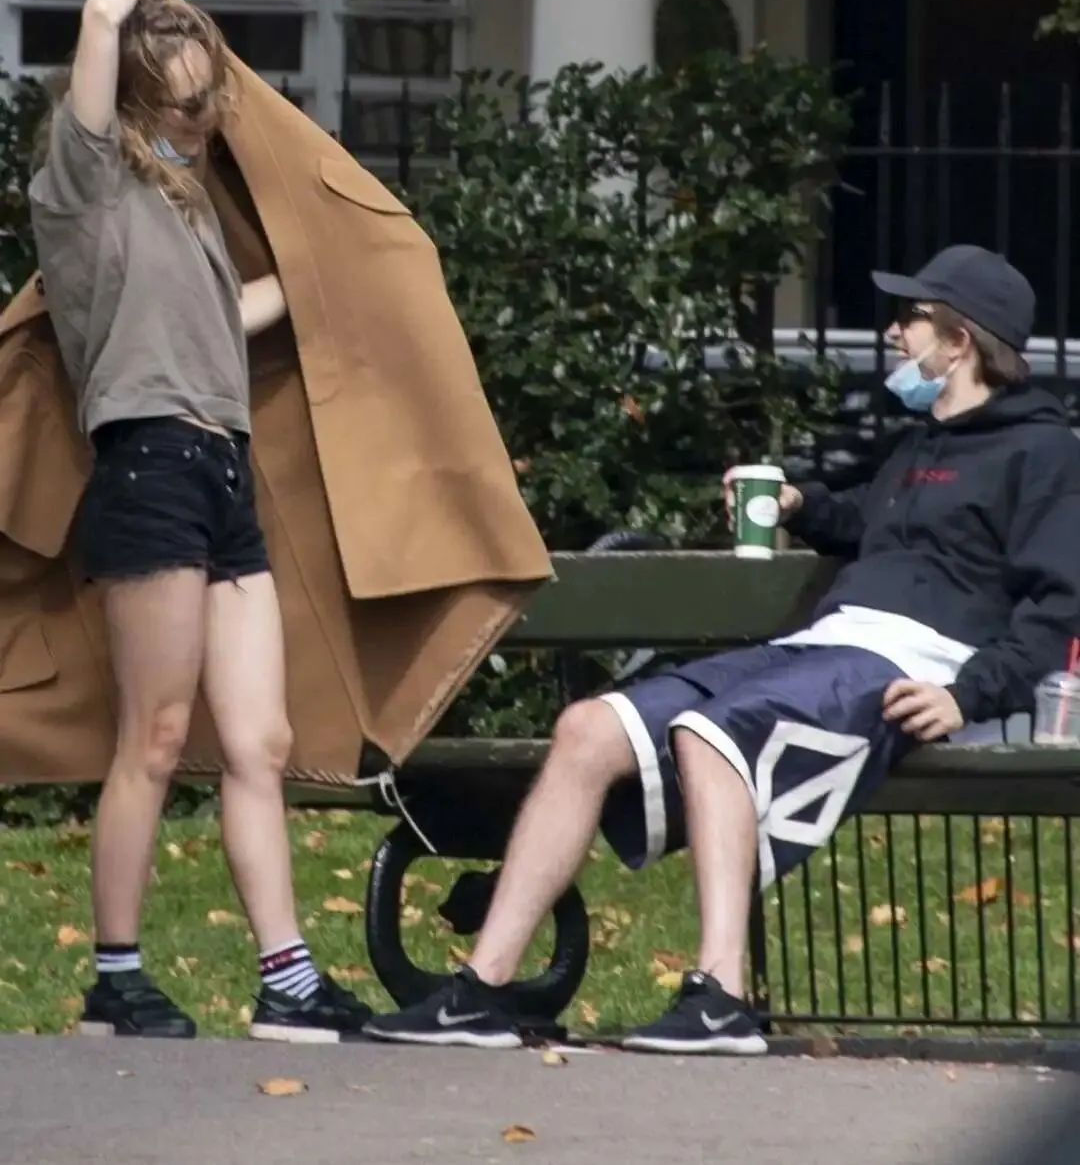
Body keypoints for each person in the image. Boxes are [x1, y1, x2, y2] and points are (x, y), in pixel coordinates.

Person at [364, 244, 1080, 1054]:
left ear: (959, 341)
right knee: (588, 729)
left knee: (710, 736)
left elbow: (1058, 606)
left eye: (910, 318)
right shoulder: (921, 445)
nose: (892, 332)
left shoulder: (1046, 454)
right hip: (827, 644)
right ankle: (483, 991)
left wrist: (966, 695)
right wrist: (802, 503)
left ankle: (722, 997)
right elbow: (880, 527)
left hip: (916, 668)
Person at [28, 0, 371, 1044]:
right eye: (183, 101)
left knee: (260, 740)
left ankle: (288, 981)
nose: (206, 114)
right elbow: (97, 20)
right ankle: (115, 979)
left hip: (221, 472)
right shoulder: (85, 188)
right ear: (133, 103)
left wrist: (328, 281)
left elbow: (224, 317)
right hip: (150, 468)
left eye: (211, 94)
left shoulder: (186, 204)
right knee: (157, 735)